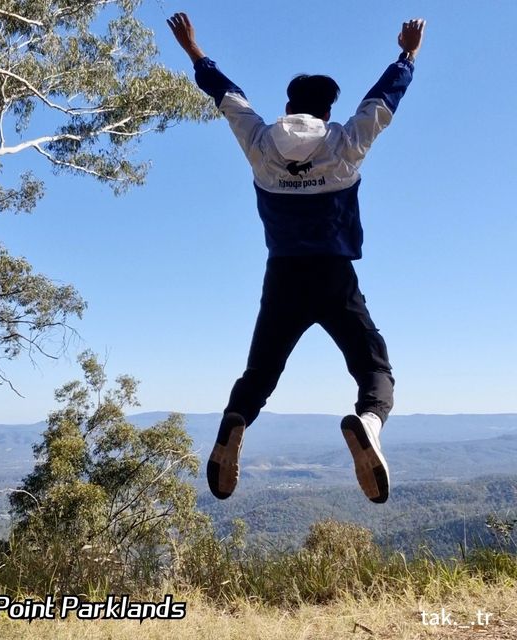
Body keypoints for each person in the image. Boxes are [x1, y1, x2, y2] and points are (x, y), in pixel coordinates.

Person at [167, 13, 426, 504]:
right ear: (328, 113)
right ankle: (369, 423)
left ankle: (234, 421)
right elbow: (383, 100)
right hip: (334, 275)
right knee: (374, 369)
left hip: (282, 275)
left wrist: (193, 49)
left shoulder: (262, 144)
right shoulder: (344, 144)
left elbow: (226, 95)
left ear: (288, 107)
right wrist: (407, 54)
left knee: (260, 375)